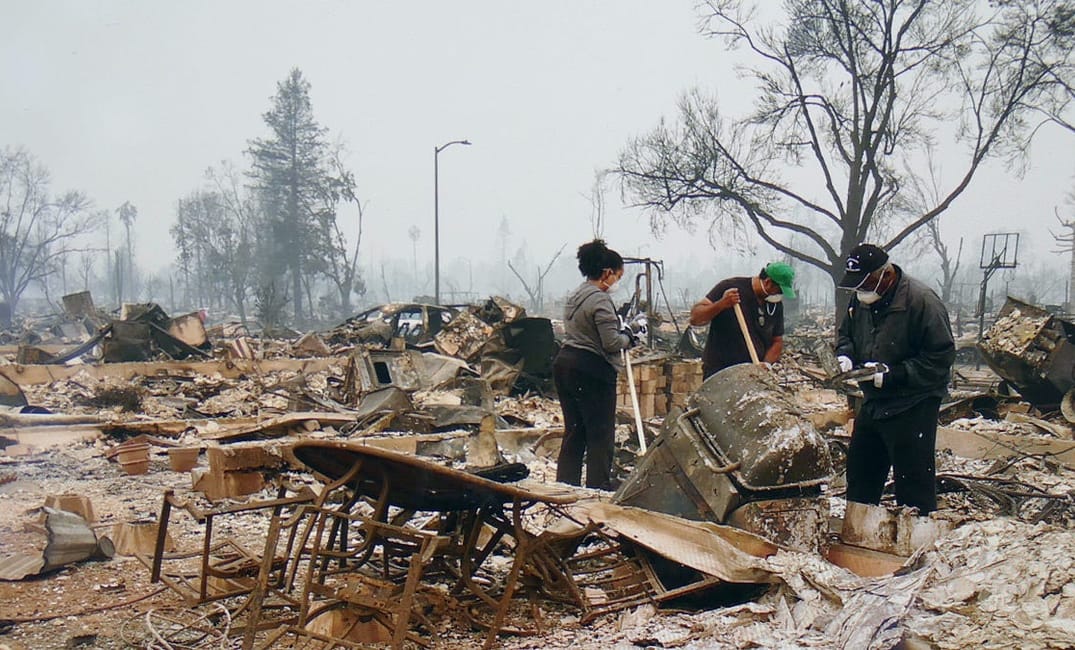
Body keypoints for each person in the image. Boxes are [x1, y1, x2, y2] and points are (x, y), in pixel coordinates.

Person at [835, 243, 955, 514]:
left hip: (914, 402)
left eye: (865, 285)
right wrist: (845, 354)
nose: (860, 292)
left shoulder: (922, 301)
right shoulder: (861, 299)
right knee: (861, 470)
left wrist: (895, 375)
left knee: (913, 478)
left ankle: (916, 537)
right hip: (874, 401)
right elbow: (846, 334)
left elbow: (941, 357)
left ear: (885, 275)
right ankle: (859, 530)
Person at [553, 239, 642, 490]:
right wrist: (633, 336)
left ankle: (564, 486)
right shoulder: (600, 300)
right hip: (591, 370)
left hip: (565, 364)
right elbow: (611, 342)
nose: (616, 282)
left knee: (574, 431)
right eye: (617, 276)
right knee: (600, 434)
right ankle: (598, 487)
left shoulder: (575, 296)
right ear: (606, 273)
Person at [690, 262, 796, 378]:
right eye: (779, 291)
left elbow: (777, 341)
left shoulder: (775, 305)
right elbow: (695, 318)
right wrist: (721, 304)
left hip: (751, 374)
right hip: (720, 371)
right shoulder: (730, 288)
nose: (780, 295)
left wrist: (766, 364)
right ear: (768, 282)